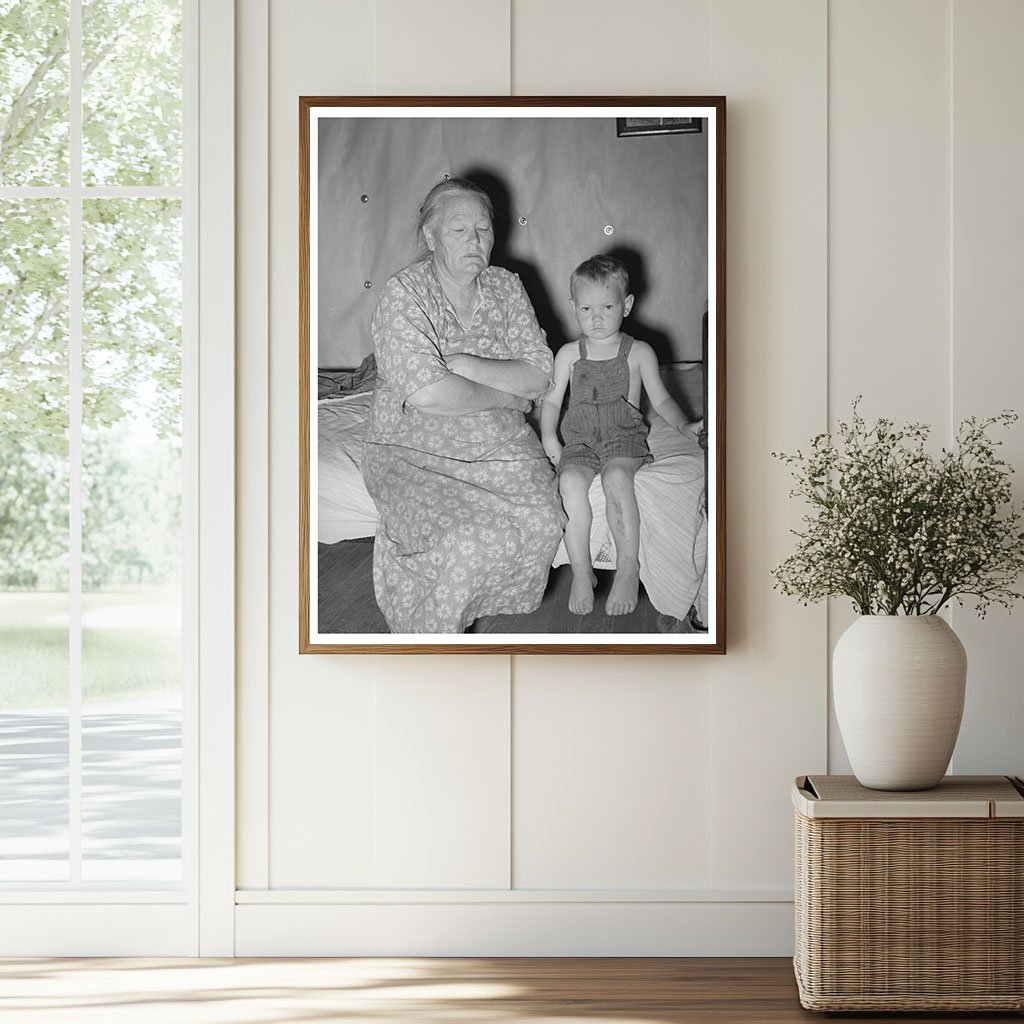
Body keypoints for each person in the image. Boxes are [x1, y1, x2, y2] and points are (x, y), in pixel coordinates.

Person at [362, 178, 564, 633]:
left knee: (544, 522)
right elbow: (426, 392)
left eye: (484, 229)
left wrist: (466, 364)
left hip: (501, 444)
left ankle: (470, 610)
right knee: (461, 543)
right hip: (414, 448)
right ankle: (432, 641)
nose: (476, 240)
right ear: (431, 237)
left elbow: (540, 372)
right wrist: (508, 394)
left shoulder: (507, 287)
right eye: (459, 230)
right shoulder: (405, 292)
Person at [540, 255, 697, 617]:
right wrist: (550, 436)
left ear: (626, 305)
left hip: (621, 436)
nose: (596, 318)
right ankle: (582, 571)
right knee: (570, 485)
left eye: (607, 306)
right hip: (579, 439)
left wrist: (684, 426)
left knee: (616, 477)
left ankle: (628, 567)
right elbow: (551, 401)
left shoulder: (639, 352)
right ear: (573, 308)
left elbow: (662, 399)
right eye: (586, 309)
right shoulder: (567, 354)